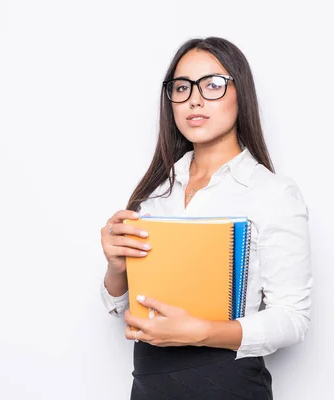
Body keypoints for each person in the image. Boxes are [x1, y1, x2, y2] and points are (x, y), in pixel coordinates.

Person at [99, 36, 312, 400]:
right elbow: (122, 307)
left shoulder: (273, 193)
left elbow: (293, 319)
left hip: (227, 385)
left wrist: (201, 331)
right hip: (149, 385)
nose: (194, 99)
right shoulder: (154, 194)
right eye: (182, 88)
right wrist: (116, 269)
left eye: (212, 85)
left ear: (240, 94)